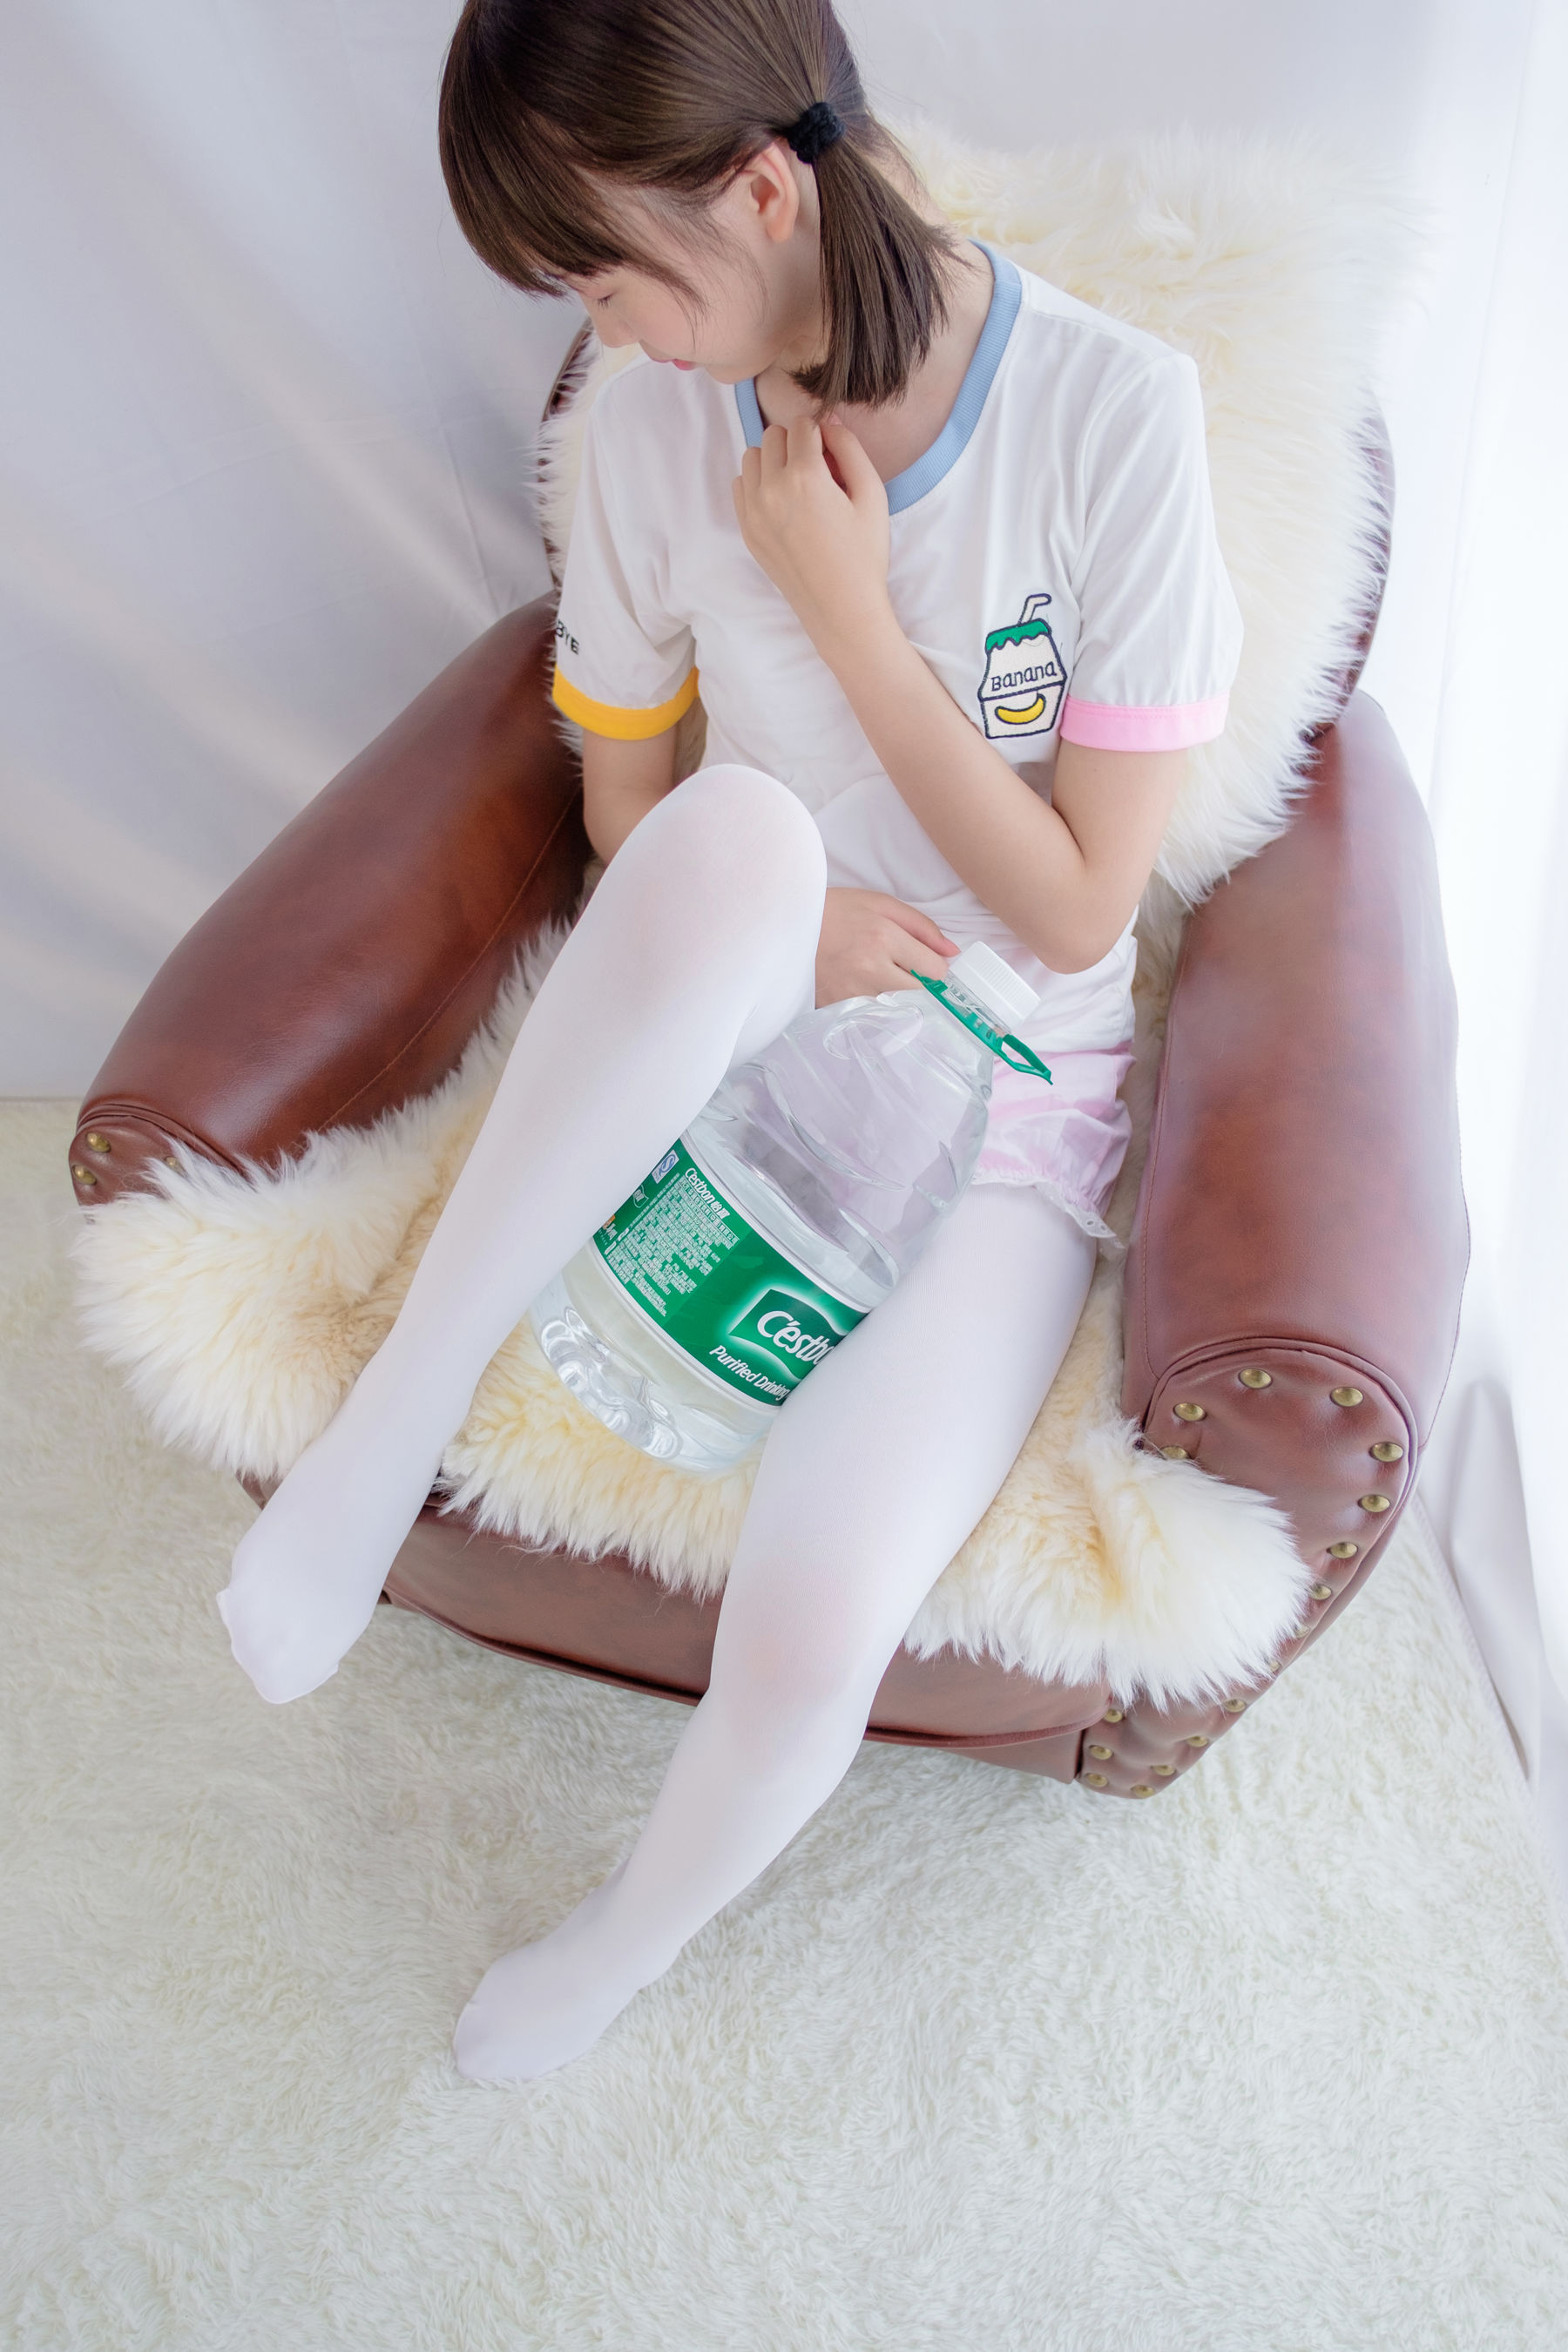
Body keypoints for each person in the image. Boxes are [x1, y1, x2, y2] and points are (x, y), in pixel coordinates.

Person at [215, 0, 1243, 2081]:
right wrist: (809, 932)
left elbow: (1074, 911)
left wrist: (850, 617)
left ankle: (624, 1943)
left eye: (608, 275)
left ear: (764, 189)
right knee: (745, 834)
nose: (608, 332)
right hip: (728, 1002)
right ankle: (390, 1429)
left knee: (813, 1618)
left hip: (996, 1103)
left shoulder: (1117, 419)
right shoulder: (642, 426)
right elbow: (628, 813)